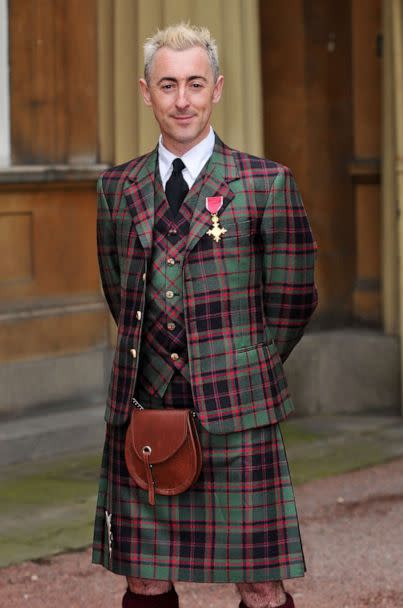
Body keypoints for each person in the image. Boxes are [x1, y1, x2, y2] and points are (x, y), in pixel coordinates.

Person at [92, 23, 318, 608]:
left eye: (195, 83)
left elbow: (293, 301)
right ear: (146, 92)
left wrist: (239, 361)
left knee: (261, 585)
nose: (182, 100)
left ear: (218, 88)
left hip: (237, 409)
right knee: (145, 577)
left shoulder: (264, 184)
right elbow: (119, 292)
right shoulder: (118, 189)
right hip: (146, 409)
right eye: (168, 85)